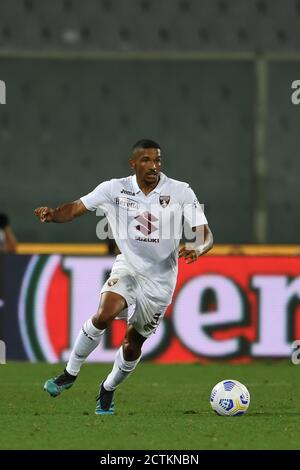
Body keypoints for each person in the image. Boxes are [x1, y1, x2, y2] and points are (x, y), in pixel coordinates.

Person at [34, 139, 213, 415]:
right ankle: (70, 373)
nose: (153, 166)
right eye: (146, 160)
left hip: (160, 282)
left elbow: (205, 233)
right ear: (133, 164)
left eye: (157, 161)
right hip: (128, 267)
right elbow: (77, 207)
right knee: (103, 314)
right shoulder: (114, 189)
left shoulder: (180, 192)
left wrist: (198, 247)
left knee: (132, 346)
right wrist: (52, 214)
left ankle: (107, 389)